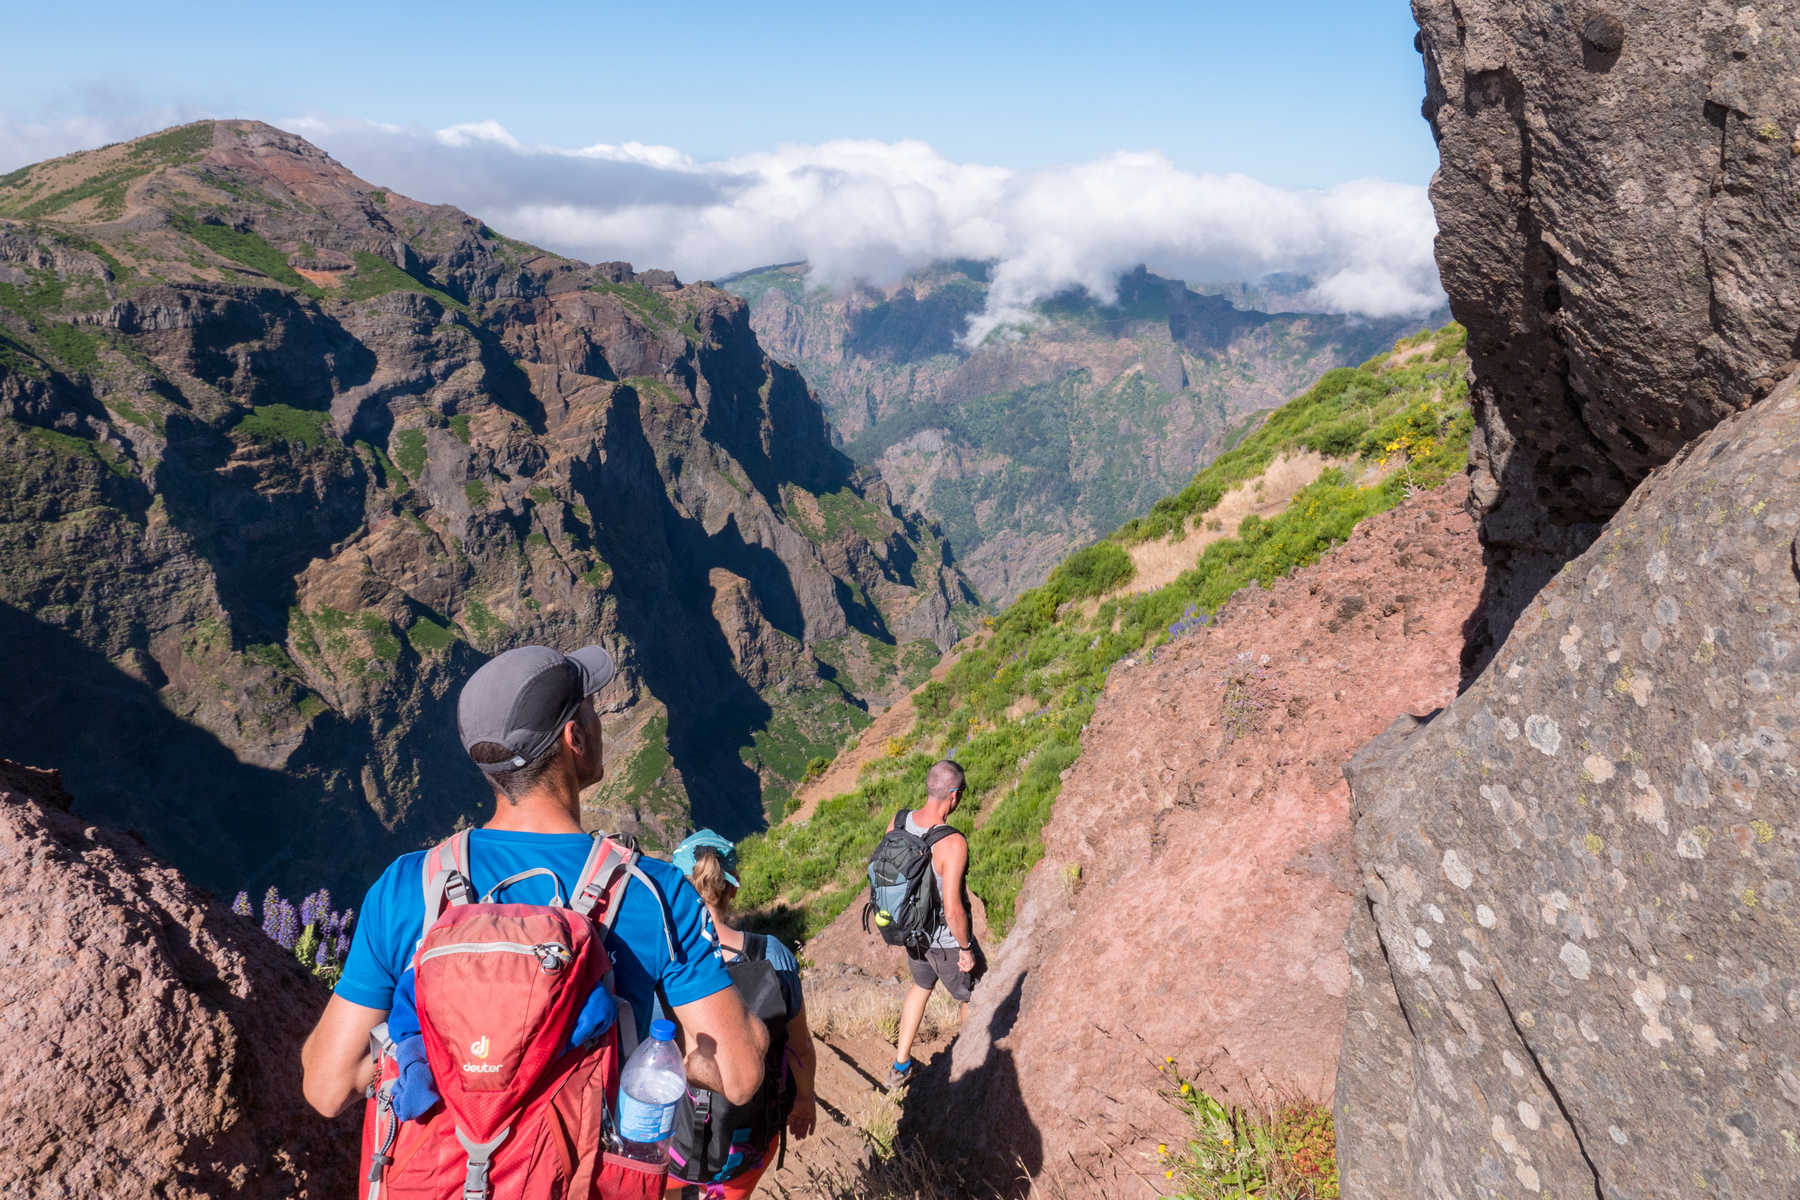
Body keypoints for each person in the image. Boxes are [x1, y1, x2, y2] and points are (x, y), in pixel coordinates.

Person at [300, 643, 768, 1123]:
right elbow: (738, 1073)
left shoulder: (406, 886)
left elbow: (327, 1086)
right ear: (575, 738)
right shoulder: (655, 891)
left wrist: (460, 1059)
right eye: (591, 709)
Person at [664, 830, 818, 1198]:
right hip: (746, 1137)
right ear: (733, 889)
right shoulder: (773, 954)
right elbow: (799, 1046)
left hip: (670, 1138)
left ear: (677, 889)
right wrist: (805, 1101)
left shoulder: (662, 956)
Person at [885, 759, 982, 1091]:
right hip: (943, 939)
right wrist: (966, 949)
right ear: (953, 796)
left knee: (921, 987)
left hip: (911, 933)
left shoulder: (898, 822)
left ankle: (900, 1067)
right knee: (974, 997)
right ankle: (968, 1070)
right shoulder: (952, 843)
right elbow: (954, 909)